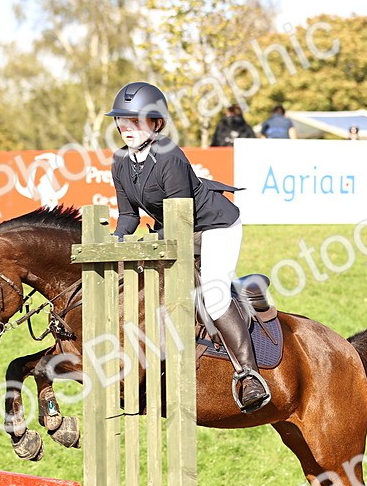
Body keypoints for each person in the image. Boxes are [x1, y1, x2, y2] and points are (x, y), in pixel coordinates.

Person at [105, 81, 270, 414]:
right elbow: (128, 216)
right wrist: (114, 244)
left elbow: (180, 217)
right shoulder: (121, 161)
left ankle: (248, 375)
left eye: (135, 120)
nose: (126, 127)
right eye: (122, 120)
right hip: (174, 229)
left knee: (213, 293)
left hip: (213, 227)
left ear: (156, 122)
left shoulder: (169, 155)